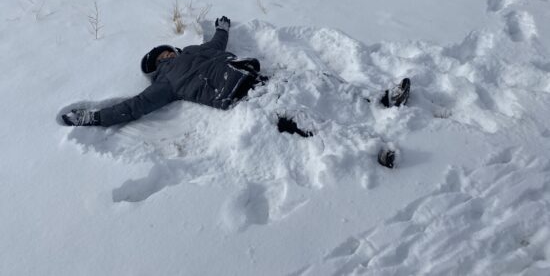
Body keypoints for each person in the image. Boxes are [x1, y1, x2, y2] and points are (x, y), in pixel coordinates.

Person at [62, 16, 410, 168]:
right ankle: (371, 151)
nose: (167, 53)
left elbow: (217, 42)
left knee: (321, 82)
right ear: (156, 65)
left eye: (167, 49)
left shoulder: (196, 51)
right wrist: (92, 117)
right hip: (246, 99)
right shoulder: (164, 84)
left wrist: (222, 26)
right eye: (161, 55)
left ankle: (379, 99)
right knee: (307, 123)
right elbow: (132, 108)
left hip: (261, 78)